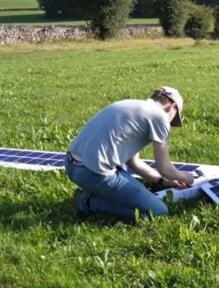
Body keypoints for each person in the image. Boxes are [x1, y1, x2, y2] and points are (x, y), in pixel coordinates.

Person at [64, 86, 194, 221]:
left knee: (134, 194)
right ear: (171, 106)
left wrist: (163, 181)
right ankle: (88, 202)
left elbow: (134, 163)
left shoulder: (130, 105)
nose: (171, 123)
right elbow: (164, 168)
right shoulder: (159, 116)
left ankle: (92, 193)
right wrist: (185, 177)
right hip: (93, 173)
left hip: (71, 165)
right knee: (158, 211)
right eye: (173, 119)